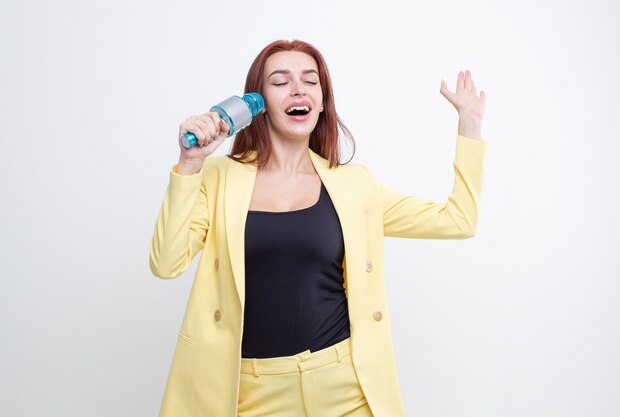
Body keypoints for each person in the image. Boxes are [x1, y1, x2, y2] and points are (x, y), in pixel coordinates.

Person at [150, 39, 487, 417]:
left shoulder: (354, 185)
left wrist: (470, 126)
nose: (297, 89)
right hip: (252, 393)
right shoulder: (217, 178)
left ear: (322, 100)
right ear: (255, 105)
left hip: (344, 386)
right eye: (280, 82)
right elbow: (166, 263)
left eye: (310, 81)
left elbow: (458, 220)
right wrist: (190, 163)